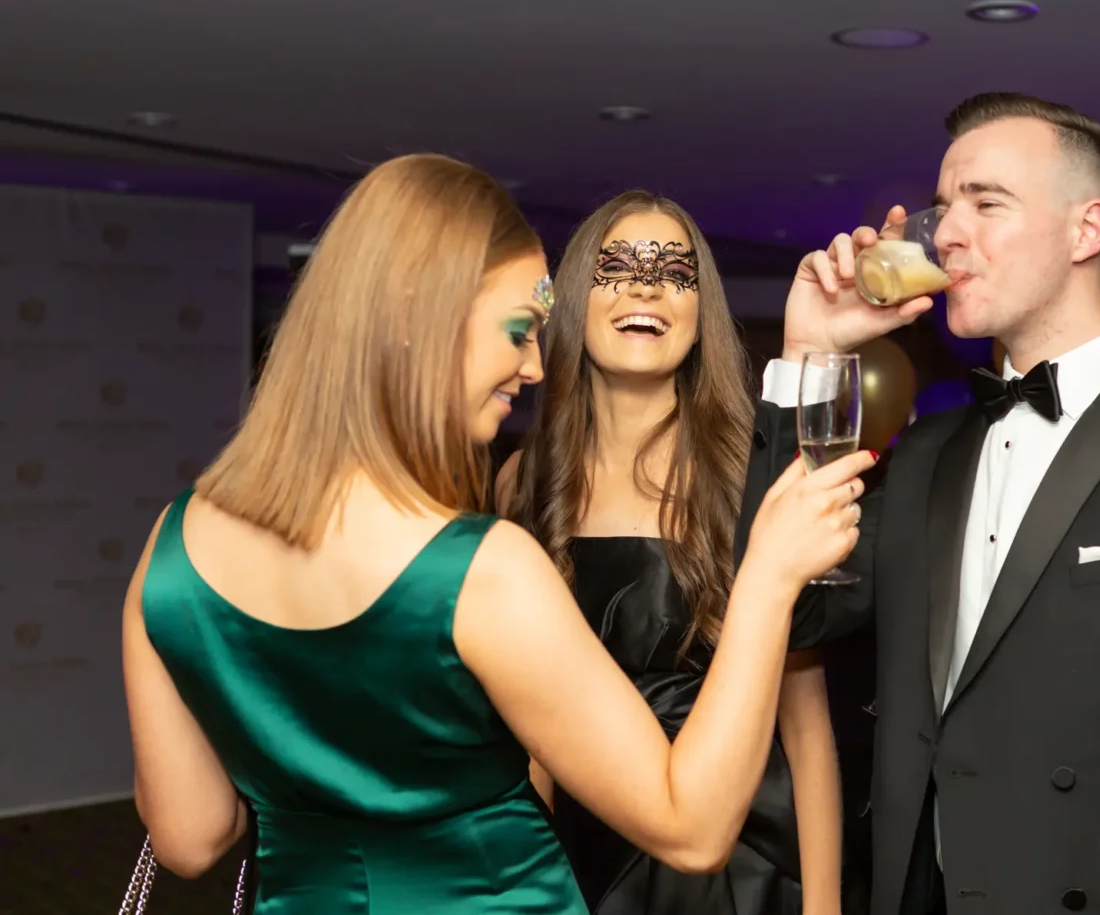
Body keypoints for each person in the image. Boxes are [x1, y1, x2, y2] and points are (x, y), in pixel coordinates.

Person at [121, 154, 875, 914]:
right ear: (421, 317)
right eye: (518, 331)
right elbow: (691, 828)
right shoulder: (481, 565)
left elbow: (191, 836)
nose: (533, 366)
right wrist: (768, 581)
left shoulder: (173, 546)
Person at [737, 92, 1100, 914]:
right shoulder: (925, 456)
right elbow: (792, 609)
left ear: (1086, 231)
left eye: (987, 204)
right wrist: (810, 352)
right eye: (946, 207)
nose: (947, 232)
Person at [498, 190, 845, 915]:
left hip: (744, 866)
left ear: (700, 311)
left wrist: (823, 908)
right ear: (572, 302)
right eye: (617, 265)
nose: (646, 285)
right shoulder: (521, 482)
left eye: (674, 271)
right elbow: (527, 740)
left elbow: (805, 722)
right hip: (582, 864)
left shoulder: (752, 475)